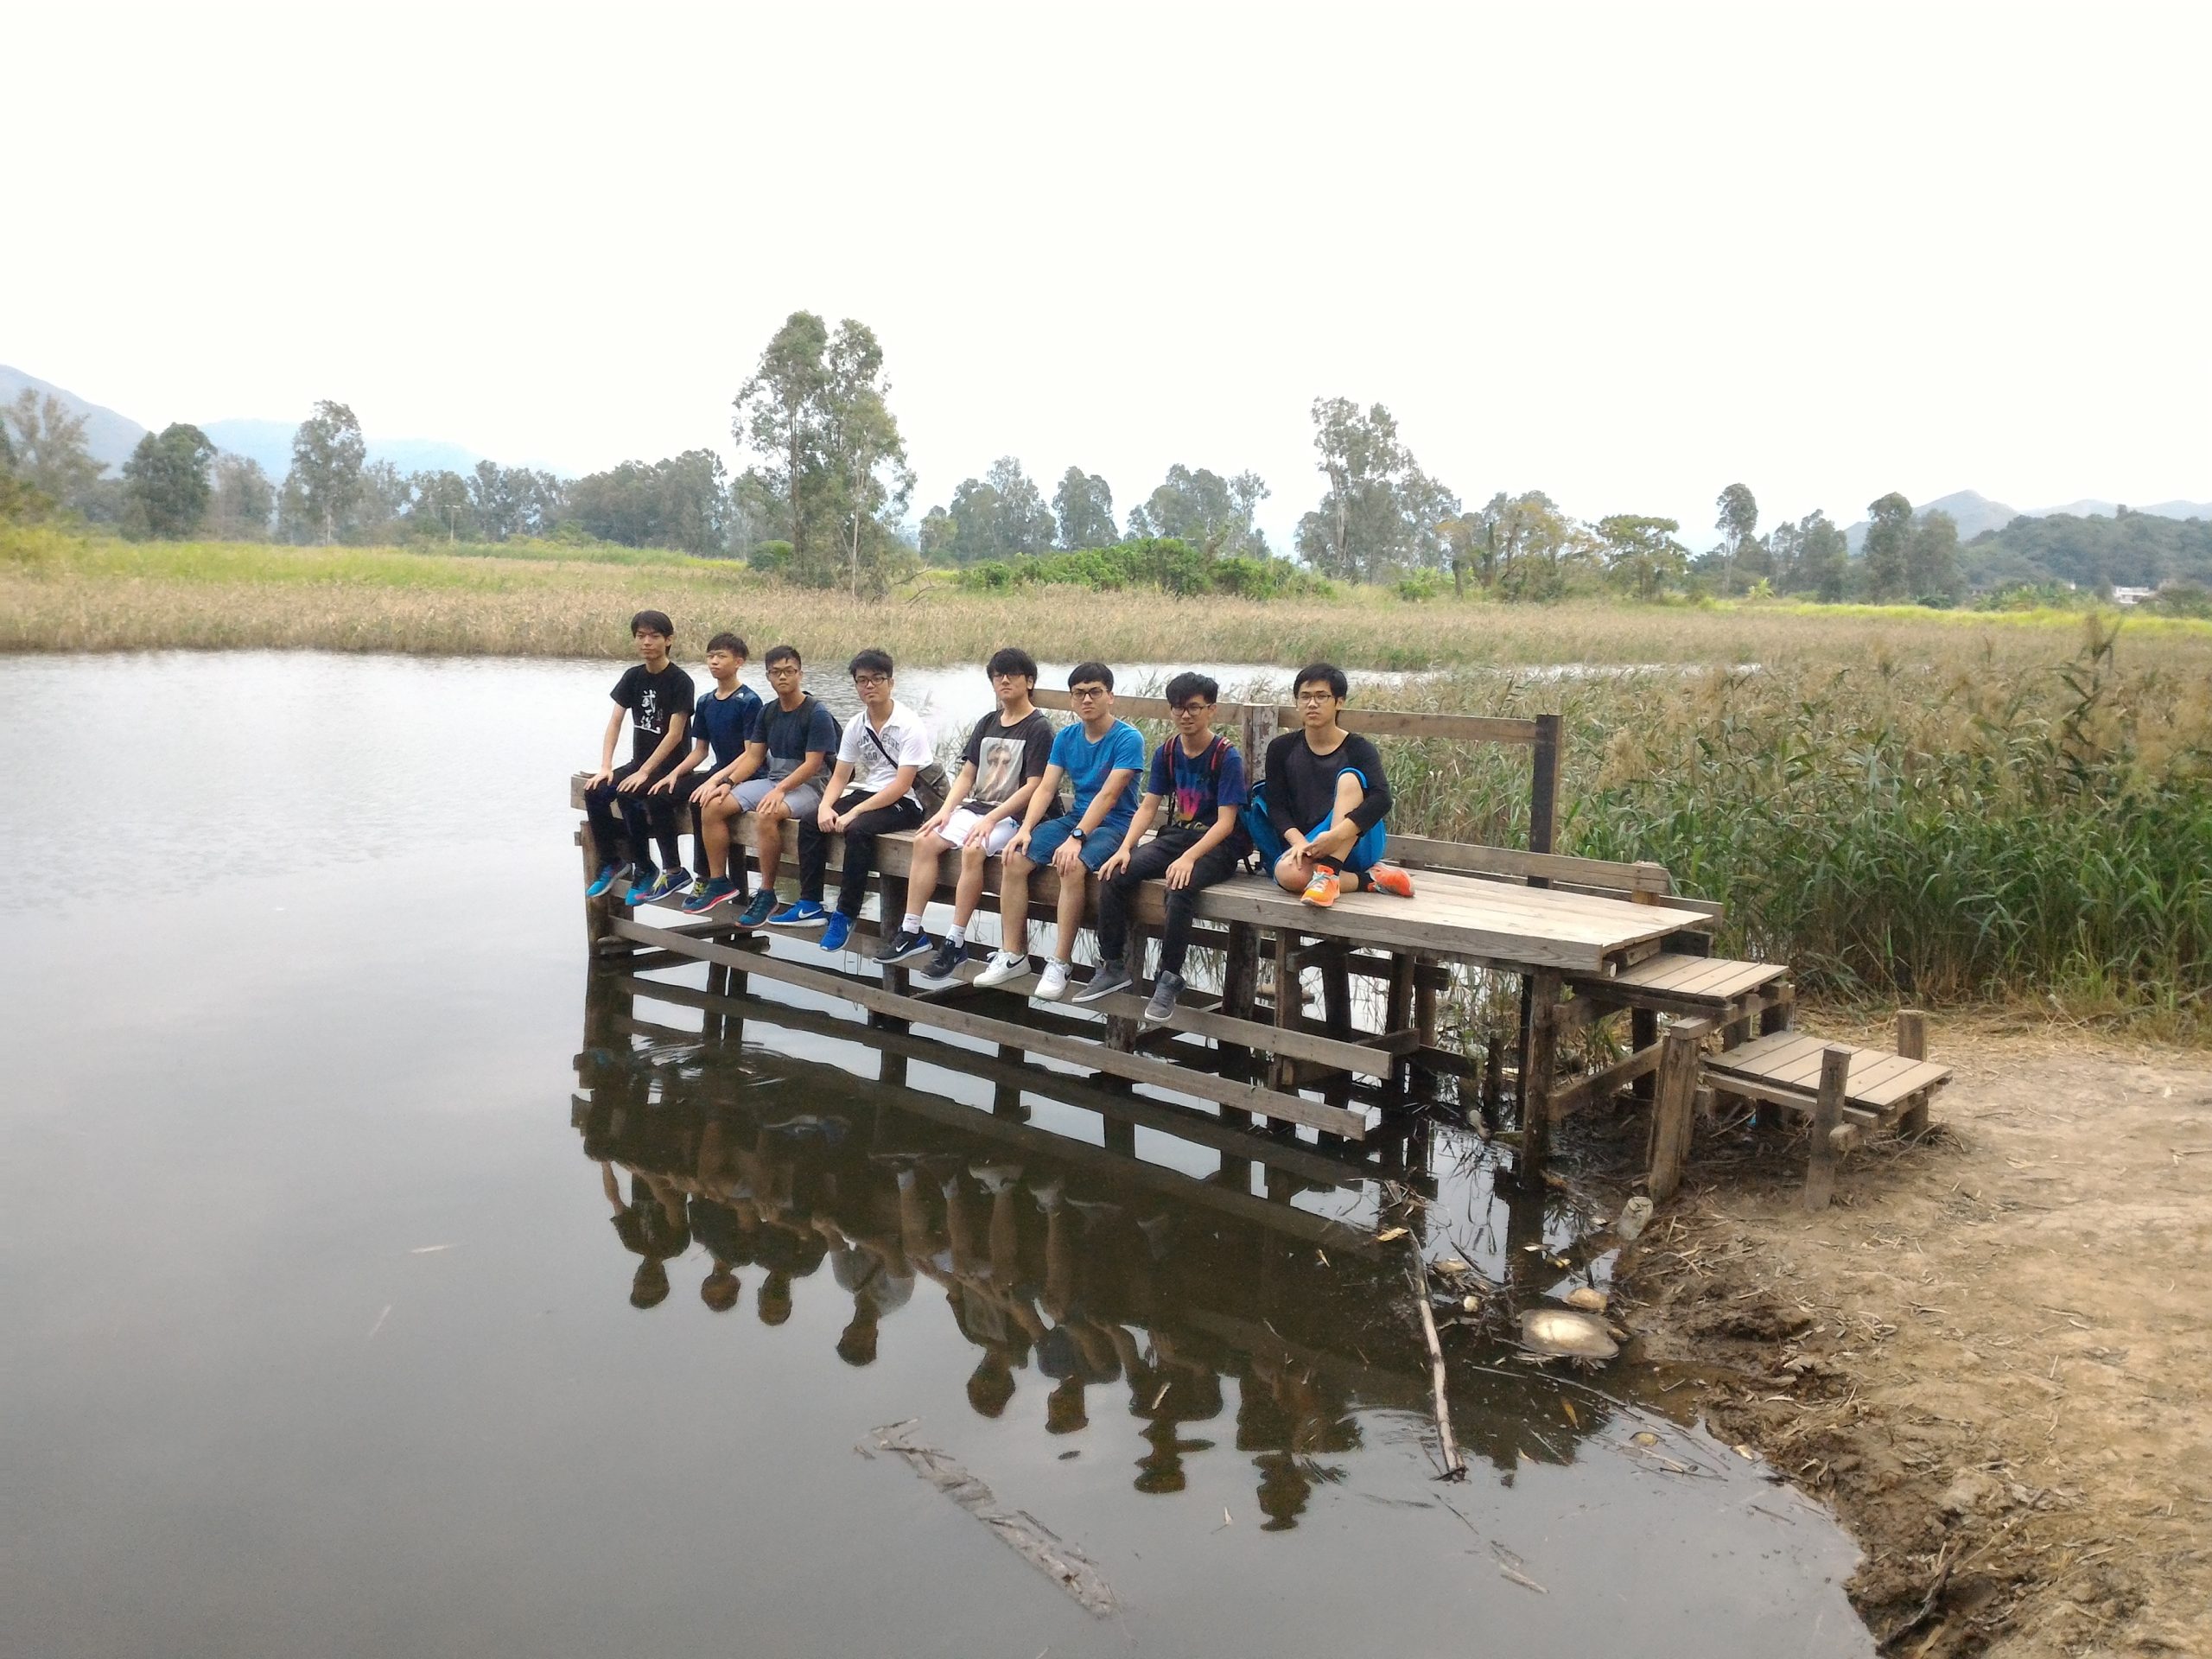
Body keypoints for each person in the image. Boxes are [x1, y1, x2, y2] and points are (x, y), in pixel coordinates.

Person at [1078, 671, 1252, 1021]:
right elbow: (1148, 807)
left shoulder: (1225, 756)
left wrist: (1189, 858)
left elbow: (1226, 823)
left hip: (1217, 846)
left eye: (1194, 708)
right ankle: (1113, 965)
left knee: (1180, 886)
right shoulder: (1168, 752)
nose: (1185, 715)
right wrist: (1126, 847)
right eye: (1178, 708)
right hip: (1176, 837)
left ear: (1211, 710)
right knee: (1114, 873)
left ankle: (1168, 978)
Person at [875, 646, 1057, 976]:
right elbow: (967, 774)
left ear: (1029, 681)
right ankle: (911, 931)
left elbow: (1034, 786)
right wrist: (945, 811)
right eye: (998, 675)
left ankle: (955, 941)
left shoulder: (1038, 727)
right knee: (925, 840)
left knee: (973, 850)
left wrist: (992, 819)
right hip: (978, 808)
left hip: (1014, 816)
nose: (1004, 681)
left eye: (1012, 675)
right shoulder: (988, 722)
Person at [976, 662, 1143, 1001]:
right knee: (1014, 857)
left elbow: (1109, 795)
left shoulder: (1128, 738)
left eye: (1095, 692)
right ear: (1071, 699)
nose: (1087, 699)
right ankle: (1013, 954)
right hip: (1076, 818)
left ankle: (1060, 962)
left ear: (1110, 696)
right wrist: (1025, 829)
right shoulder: (1067, 737)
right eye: (1079, 693)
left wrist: (1077, 838)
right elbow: (1046, 787)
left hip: (1117, 824)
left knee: (1071, 865)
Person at [772, 649, 932, 952]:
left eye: (877, 679)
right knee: (810, 822)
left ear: (891, 683)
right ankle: (810, 904)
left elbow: (901, 784)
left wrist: (853, 812)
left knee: (857, 830)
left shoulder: (908, 724)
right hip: (871, 793)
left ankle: (845, 914)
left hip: (906, 802)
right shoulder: (858, 724)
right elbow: (840, 776)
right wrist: (825, 806)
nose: (869, 686)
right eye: (862, 680)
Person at [683, 644, 839, 924]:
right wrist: (727, 782)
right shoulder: (768, 712)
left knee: (768, 813)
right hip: (774, 780)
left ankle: (767, 893)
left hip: (811, 787)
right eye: (776, 672)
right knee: (713, 805)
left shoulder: (816, 712)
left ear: (800, 674)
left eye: (789, 671)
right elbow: (754, 756)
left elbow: (812, 764)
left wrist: (780, 791)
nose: (783, 677)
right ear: (768, 676)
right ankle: (718, 881)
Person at [1246, 662, 1415, 908]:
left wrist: (1335, 837)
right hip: (1311, 844)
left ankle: (1328, 872)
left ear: (1339, 702)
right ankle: (1370, 880)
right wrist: (1301, 843)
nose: (1312, 704)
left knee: (1350, 778)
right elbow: (1277, 806)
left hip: (1356, 841)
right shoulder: (1281, 748)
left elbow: (1382, 799)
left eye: (1321, 696)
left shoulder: (1359, 748)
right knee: (1287, 875)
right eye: (1305, 696)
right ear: (1296, 702)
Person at [582, 610, 696, 903]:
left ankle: (645, 867)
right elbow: (615, 721)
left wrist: (645, 772)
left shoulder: (680, 681)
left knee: (629, 793)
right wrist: (606, 766)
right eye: (641, 636)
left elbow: (674, 734)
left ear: (668, 640)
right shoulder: (633, 677)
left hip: (671, 767)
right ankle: (613, 862)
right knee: (595, 791)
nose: (647, 642)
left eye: (654, 636)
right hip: (638, 763)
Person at [644, 632, 760, 907]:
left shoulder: (749, 701)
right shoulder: (706, 701)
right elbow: (700, 751)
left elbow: (749, 754)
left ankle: (706, 877)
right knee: (658, 794)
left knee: (700, 801)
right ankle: (673, 869)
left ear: (739, 662)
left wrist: (717, 780)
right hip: (717, 770)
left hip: (745, 774)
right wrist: (674, 774)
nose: (714, 662)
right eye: (710, 656)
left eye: (721, 656)